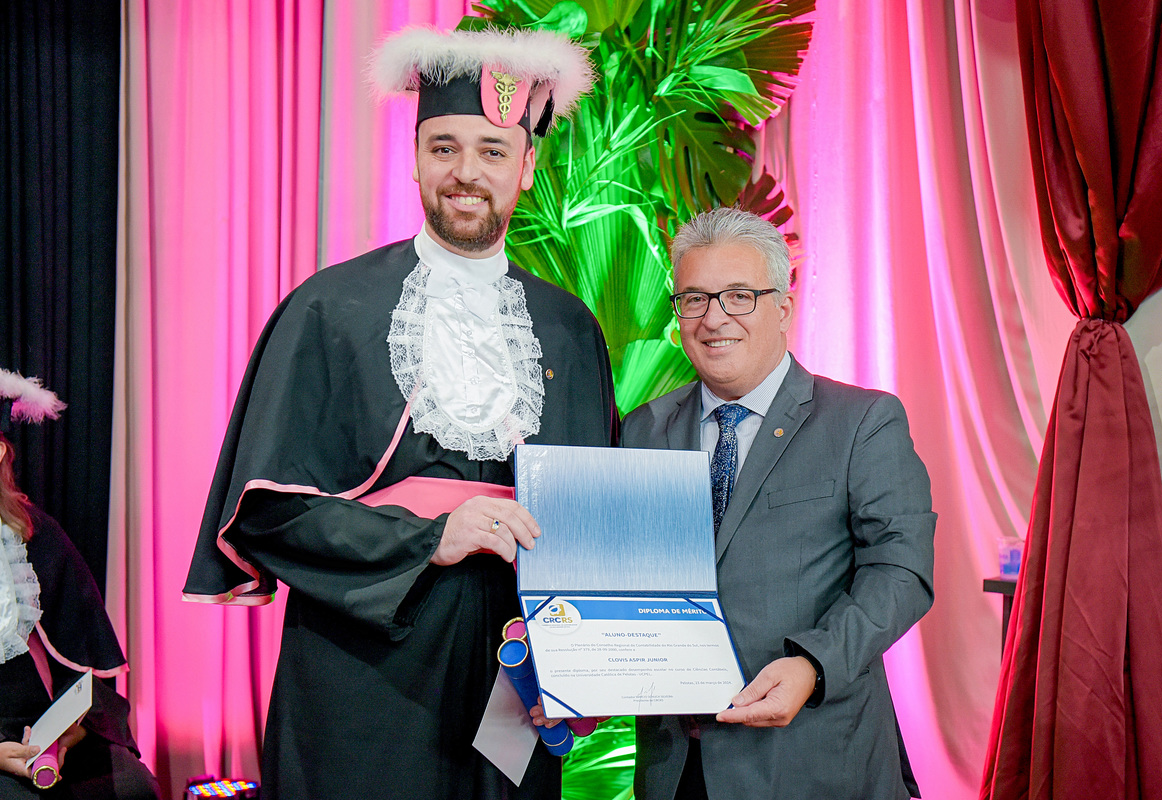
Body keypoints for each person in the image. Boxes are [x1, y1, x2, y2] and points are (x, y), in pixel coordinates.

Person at [182, 27, 617, 800]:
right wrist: (431, 537)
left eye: (491, 150)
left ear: (526, 165)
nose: (466, 172)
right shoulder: (329, 308)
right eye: (444, 147)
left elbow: (594, 518)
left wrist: (594, 662)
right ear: (415, 157)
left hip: (514, 671)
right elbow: (266, 515)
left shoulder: (570, 329)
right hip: (364, 667)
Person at [621, 208, 936, 799]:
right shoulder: (642, 429)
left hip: (815, 759)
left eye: (739, 296)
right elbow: (619, 577)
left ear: (784, 309)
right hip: (677, 768)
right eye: (694, 299)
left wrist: (812, 664)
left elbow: (902, 570)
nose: (714, 318)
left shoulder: (862, 421)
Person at [0, 370, 160, 800]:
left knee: (131, 789)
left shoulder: (35, 533)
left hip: (41, 728)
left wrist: (74, 727)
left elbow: (82, 661)